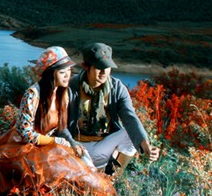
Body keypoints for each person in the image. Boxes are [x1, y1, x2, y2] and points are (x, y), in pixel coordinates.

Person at [0, 46, 114, 196]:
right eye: (62, 72)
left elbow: (61, 128)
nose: (67, 76)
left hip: (48, 144)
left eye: (69, 71)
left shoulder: (63, 94)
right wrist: (54, 140)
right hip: (23, 146)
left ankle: (99, 192)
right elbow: (25, 132)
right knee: (55, 172)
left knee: (83, 162)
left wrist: (72, 143)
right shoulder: (32, 94)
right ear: (50, 74)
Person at [67, 42, 160, 175]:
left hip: (102, 147)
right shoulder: (72, 86)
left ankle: (112, 179)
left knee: (129, 134)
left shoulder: (117, 88)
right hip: (75, 147)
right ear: (86, 66)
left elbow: (130, 117)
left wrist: (146, 146)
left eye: (108, 67)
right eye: (99, 67)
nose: (104, 72)